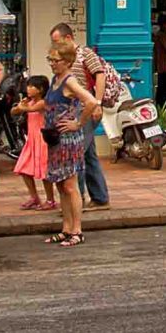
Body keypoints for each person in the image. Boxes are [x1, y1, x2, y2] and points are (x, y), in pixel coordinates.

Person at [42, 44, 102, 247]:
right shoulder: (55, 80)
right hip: (56, 139)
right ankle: (66, 228)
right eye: (50, 60)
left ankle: (77, 229)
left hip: (68, 140)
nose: (52, 64)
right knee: (60, 184)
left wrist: (78, 123)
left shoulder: (70, 81)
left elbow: (91, 101)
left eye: (55, 60)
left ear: (67, 62)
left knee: (70, 185)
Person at [49, 23, 112, 210]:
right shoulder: (63, 62)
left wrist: (97, 104)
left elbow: (100, 76)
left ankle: (77, 199)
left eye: (57, 41)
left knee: (78, 156)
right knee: (89, 154)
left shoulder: (85, 54)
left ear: (68, 38)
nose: (55, 45)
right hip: (73, 109)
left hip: (85, 110)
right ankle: (100, 197)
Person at [10, 73, 57, 211]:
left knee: (44, 173)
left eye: (32, 86)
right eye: (28, 86)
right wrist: (19, 106)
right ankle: (34, 197)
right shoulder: (29, 101)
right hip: (31, 140)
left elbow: (31, 109)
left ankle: (50, 200)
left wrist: (22, 107)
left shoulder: (44, 102)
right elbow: (14, 111)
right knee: (23, 168)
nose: (28, 89)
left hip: (42, 141)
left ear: (41, 89)